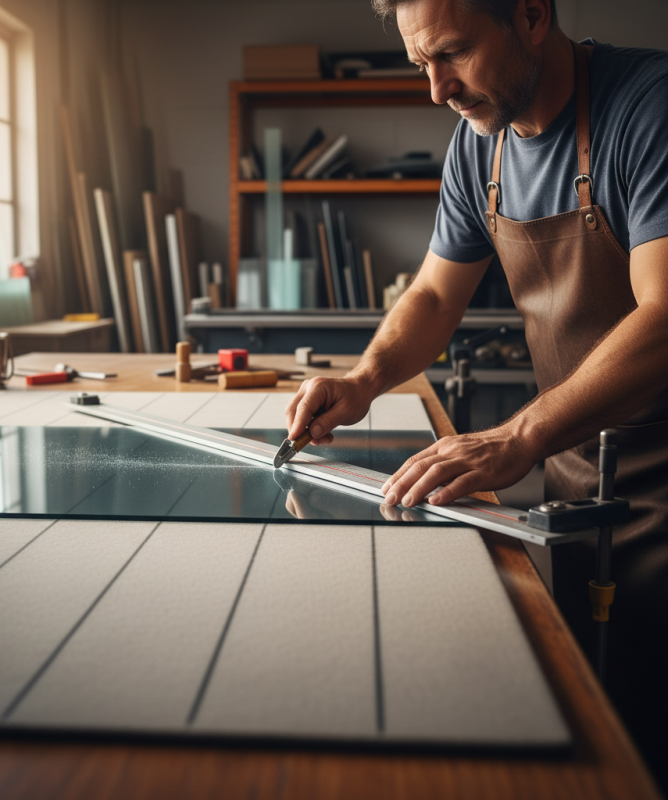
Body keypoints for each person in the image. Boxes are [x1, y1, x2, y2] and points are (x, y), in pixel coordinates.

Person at [284, 0, 668, 787]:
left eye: (452, 54)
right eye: (420, 63)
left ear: (530, 15)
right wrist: (363, 380)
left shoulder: (649, 106)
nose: (435, 89)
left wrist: (517, 437)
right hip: (574, 485)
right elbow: (432, 296)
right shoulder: (478, 145)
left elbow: (665, 315)